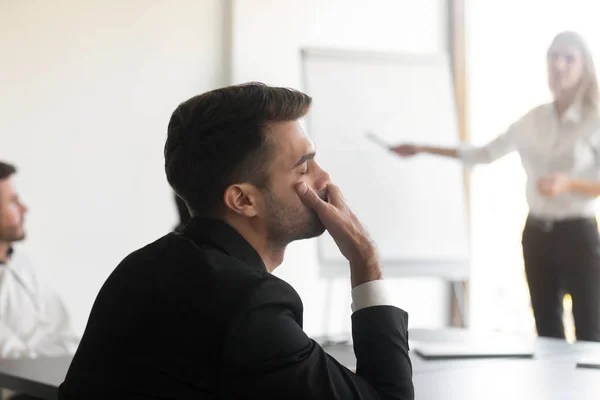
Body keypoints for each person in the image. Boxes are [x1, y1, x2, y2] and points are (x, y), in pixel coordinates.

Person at [58, 83, 414, 399]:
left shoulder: (142, 265)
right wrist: (364, 258)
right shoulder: (250, 306)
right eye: (303, 168)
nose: (324, 179)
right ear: (243, 200)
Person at [391, 31, 600, 342]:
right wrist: (422, 148)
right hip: (536, 237)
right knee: (547, 334)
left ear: (585, 66)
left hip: (578, 236)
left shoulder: (594, 119)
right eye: (554, 57)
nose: (559, 64)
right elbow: (484, 153)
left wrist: (567, 183)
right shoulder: (533, 119)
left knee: (590, 333)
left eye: (569, 58)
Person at [0, 161, 78, 360]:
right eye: (12, 202)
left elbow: (66, 336)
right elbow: (10, 357)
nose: (24, 209)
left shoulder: (23, 264)